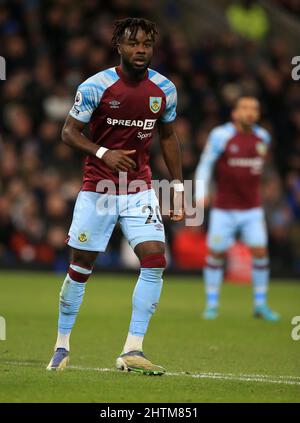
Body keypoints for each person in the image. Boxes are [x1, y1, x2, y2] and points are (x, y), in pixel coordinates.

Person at [47, 18, 184, 374]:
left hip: (139, 187)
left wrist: (179, 188)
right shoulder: (96, 86)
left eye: (147, 44)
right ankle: (62, 345)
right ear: (118, 46)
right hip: (100, 188)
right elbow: (68, 132)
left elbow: (168, 137)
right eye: (133, 43)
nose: (141, 50)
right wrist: (104, 153)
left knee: (155, 260)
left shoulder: (164, 89)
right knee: (81, 267)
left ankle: (132, 350)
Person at [195, 96, 279, 321]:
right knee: (216, 253)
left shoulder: (263, 137)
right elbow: (205, 163)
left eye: (254, 108)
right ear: (235, 113)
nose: (249, 112)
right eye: (244, 108)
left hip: (252, 208)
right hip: (224, 208)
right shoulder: (221, 135)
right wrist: (201, 192)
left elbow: (260, 168)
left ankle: (260, 305)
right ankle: (211, 305)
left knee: (260, 252)